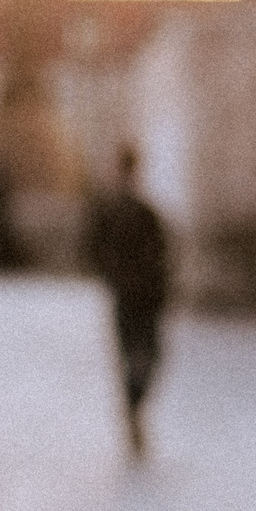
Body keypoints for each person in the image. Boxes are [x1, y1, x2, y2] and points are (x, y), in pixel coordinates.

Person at [82, 145, 171, 458]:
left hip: (146, 297)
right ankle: (133, 412)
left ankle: (134, 407)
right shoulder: (109, 211)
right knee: (133, 356)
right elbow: (93, 251)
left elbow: (162, 255)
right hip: (127, 296)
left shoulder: (146, 212)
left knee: (150, 358)